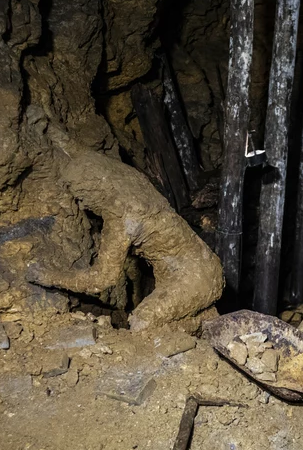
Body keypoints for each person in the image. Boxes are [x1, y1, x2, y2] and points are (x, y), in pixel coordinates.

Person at [28, 129, 223, 331]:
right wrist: (48, 128)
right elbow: (82, 154)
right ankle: (204, 316)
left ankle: (201, 325)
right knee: (163, 312)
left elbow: (102, 280)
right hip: (196, 264)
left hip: (195, 276)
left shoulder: (121, 220)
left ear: (95, 194)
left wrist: (47, 276)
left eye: (82, 198)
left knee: (142, 323)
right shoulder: (122, 176)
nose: (84, 205)